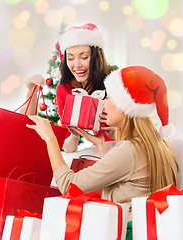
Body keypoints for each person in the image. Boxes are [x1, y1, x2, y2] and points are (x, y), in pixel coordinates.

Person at [27, 66, 179, 239]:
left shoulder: (129, 150)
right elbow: (125, 178)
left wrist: (51, 139)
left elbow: (69, 186)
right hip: (142, 229)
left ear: (124, 107)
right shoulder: (156, 144)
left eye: (108, 97)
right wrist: (100, 144)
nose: (103, 103)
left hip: (123, 232)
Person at [22, 23, 118, 152]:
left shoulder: (114, 80)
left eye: (84, 57)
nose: (77, 65)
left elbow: (138, 133)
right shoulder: (64, 89)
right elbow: (68, 148)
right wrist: (74, 135)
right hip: (97, 153)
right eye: (71, 58)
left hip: (121, 150)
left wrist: (117, 132)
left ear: (96, 58)